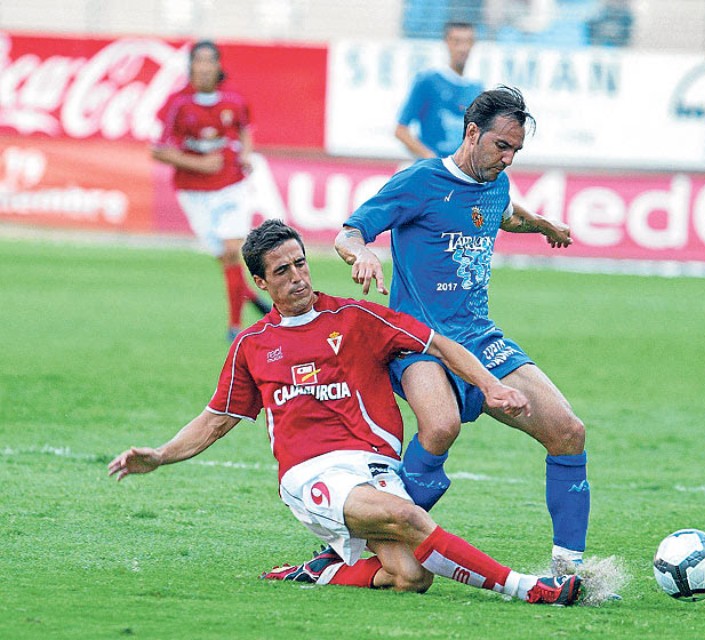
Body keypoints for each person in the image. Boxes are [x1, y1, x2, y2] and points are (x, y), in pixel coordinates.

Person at [108, 219, 583, 606]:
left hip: (374, 467)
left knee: (411, 576)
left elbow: (437, 343)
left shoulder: (357, 318)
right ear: (260, 282)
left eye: (300, 264)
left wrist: (490, 386)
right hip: (311, 475)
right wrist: (162, 455)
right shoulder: (253, 346)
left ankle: (323, 570)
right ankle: (529, 589)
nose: (297, 277)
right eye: (282, 272)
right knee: (408, 517)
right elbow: (216, 418)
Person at [335, 86, 591, 575]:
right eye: (501, 146)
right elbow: (350, 231)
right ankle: (372, 542)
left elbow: (506, 215)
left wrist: (542, 225)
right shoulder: (419, 181)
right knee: (440, 426)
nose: (508, 158)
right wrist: (362, 252)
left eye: (516, 150)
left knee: (569, 432)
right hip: (420, 342)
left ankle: (570, 572)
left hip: (480, 338)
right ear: (472, 133)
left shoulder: (495, 184)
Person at [153, 40, 270, 341]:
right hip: (193, 191)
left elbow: (245, 129)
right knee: (224, 259)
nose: (204, 67)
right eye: (199, 60)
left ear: (218, 65)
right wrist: (200, 164)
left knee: (233, 250)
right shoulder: (177, 103)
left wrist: (245, 153)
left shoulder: (234, 98)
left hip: (231, 184)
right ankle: (251, 298)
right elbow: (159, 150)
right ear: (190, 65)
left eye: (210, 61)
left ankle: (234, 327)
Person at [394, 22, 483, 159]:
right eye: (457, 41)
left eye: (467, 42)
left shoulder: (476, 88)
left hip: (462, 174)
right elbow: (401, 130)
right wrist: (430, 157)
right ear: (447, 42)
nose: (463, 48)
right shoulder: (428, 81)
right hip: (433, 172)